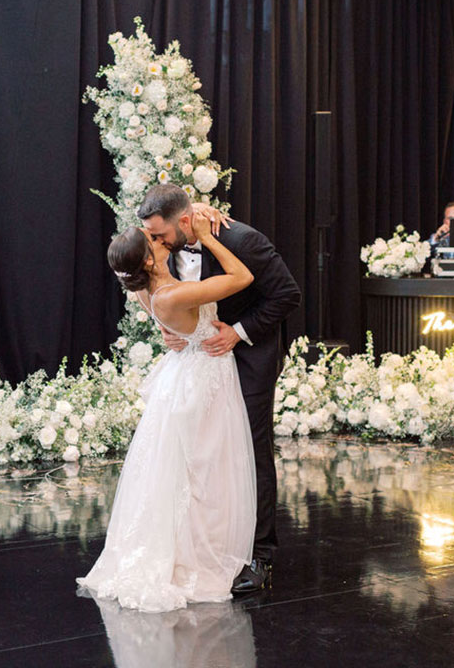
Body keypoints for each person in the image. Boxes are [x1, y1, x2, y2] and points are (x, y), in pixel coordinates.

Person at [77, 209, 258, 612]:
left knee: (186, 469)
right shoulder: (173, 294)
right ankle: (197, 554)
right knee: (204, 470)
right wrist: (209, 239)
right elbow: (242, 278)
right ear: (146, 258)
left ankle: (186, 545)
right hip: (203, 375)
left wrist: (173, 330)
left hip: (185, 374)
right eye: (155, 240)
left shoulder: (144, 289)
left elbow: (169, 321)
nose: (164, 240)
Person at [137, 184, 301, 594]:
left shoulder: (241, 240)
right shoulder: (163, 237)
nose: (153, 243)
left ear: (186, 220)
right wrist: (169, 327)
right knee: (203, 451)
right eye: (151, 235)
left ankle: (260, 555)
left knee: (250, 447)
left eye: (159, 236)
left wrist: (239, 332)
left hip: (248, 358)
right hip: (200, 362)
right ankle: (213, 543)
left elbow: (287, 294)